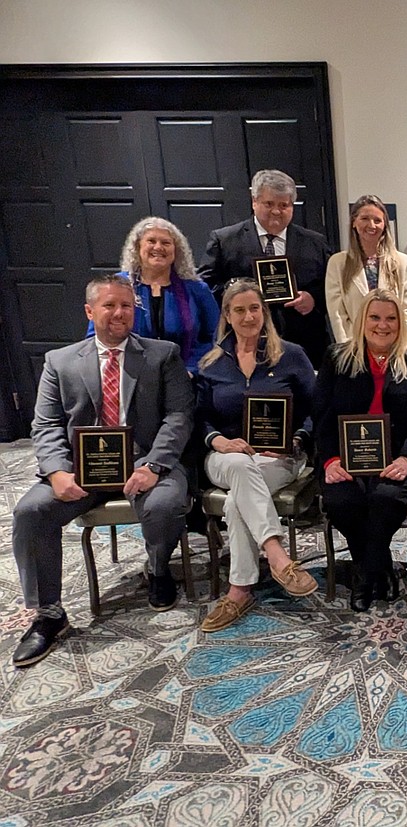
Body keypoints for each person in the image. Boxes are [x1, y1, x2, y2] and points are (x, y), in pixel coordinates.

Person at [11, 275, 192, 667]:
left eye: (126, 306)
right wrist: (57, 471)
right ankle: (49, 614)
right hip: (80, 471)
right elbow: (45, 425)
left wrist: (155, 466)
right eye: (109, 306)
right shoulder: (59, 362)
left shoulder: (163, 355)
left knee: (166, 503)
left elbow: (179, 416)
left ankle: (158, 570)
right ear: (90, 311)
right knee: (30, 511)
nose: (119, 314)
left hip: (145, 462)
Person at [195, 279, 319, 632]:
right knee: (237, 464)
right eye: (239, 310)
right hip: (224, 457)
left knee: (238, 503)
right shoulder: (211, 363)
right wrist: (217, 440)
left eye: (255, 308)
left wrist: (297, 438)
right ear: (227, 316)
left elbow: (315, 409)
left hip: (280, 457)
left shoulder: (291, 355)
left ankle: (239, 590)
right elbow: (198, 418)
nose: (248, 316)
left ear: (264, 312)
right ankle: (279, 558)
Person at [314, 288, 407, 610]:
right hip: (344, 458)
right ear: (362, 320)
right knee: (343, 500)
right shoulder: (337, 358)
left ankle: (365, 576)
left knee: (384, 499)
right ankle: (378, 569)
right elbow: (322, 414)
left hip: (401, 458)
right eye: (374, 317)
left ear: (400, 322)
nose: (382, 325)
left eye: (390, 318)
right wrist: (330, 460)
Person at [197, 169, 332, 367]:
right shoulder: (224, 240)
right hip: (244, 345)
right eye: (269, 204)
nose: (276, 211)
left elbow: (332, 287)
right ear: (254, 201)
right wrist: (236, 293)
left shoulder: (315, 243)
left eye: (284, 205)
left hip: (305, 345)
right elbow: (204, 287)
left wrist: (313, 299)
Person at [98, 217, 220, 374]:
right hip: (128, 379)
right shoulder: (116, 287)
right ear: (137, 247)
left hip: (186, 378)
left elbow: (215, 336)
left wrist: (192, 369)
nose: (158, 247)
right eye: (151, 241)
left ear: (176, 250)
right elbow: (97, 333)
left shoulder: (197, 289)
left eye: (166, 243)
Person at [325, 195, 407, 343]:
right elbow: (337, 313)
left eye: (377, 220)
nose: (372, 225)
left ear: (385, 225)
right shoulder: (338, 263)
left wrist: (398, 344)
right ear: (354, 223)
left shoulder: (403, 263)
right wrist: (350, 347)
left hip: (393, 345)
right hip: (354, 347)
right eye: (365, 219)